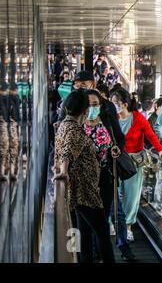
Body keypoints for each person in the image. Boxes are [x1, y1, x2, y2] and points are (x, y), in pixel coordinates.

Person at [53, 89, 115, 263]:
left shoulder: (64, 124)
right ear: (85, 111)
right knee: (102, 233)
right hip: (85, 192)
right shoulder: (75, 131)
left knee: (84, 232)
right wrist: (63, 172)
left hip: (79, 191)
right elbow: (67, 152)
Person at [83, 90, 136, 261]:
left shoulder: (106, 117)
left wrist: (116, 149)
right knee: (90, 220)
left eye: (95, 104)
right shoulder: (77, 122)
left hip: (106, 175)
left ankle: (115, 249)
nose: (93, 107)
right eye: (89, 104)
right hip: (85, 179)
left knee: (108, 215)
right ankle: (93, 253)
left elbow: (119, 138)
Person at [111, 88, 162, 242]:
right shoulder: (110, 118)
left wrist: (160, 150)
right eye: (112, 103)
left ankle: (127, 226)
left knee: (132, 195)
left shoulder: (138, 118)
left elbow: (150, 135)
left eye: (116, 103)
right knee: (114, 193)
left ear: (125, 103)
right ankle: (112, 222)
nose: (113, 105)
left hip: (133, 163)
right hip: (114, 161)